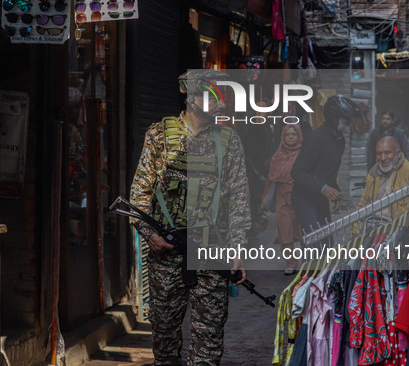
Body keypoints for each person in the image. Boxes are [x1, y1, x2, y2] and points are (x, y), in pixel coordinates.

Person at [129, 69, 251, 365]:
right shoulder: (159, 136)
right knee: (165, 343)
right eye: (214, 97)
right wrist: (151, 234)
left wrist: (237, 247)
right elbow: (139, 196)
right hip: (167, 256)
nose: (221, 104)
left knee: (208, 345)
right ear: (192, 98)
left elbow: (238, 198)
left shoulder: (229, 141)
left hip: (213, 251)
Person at [291, 95, 361, 233]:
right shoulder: (316, 138)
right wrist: (324, 189)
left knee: (327, 244)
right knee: (314, 244)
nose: (348, 123)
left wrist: (335, 191)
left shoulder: (340, 140)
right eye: (345, 120)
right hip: (304, 199)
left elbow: (328, 171)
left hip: (320, 197)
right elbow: (297, 172)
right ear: (334, 116)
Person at [355, 136, 409, 234]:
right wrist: (355, 236)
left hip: (400, 233)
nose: (383, 158)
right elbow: (362, 206)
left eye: (387, 153)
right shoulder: (373, 175)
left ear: (398, 154)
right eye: (379, 154)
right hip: (373, 230)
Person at [261, 124, 303, 275]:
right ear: (283, 138)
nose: (290, 137)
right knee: (285, 232)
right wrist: (264, 200)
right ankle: (291, 263)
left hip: (301, 198)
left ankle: (307, 262)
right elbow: (270, 180)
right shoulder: (277, 156)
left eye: (294, 134)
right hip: (282, 199)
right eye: (287, 135)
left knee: (304, 231)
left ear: (299, 136)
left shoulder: (304, 154)